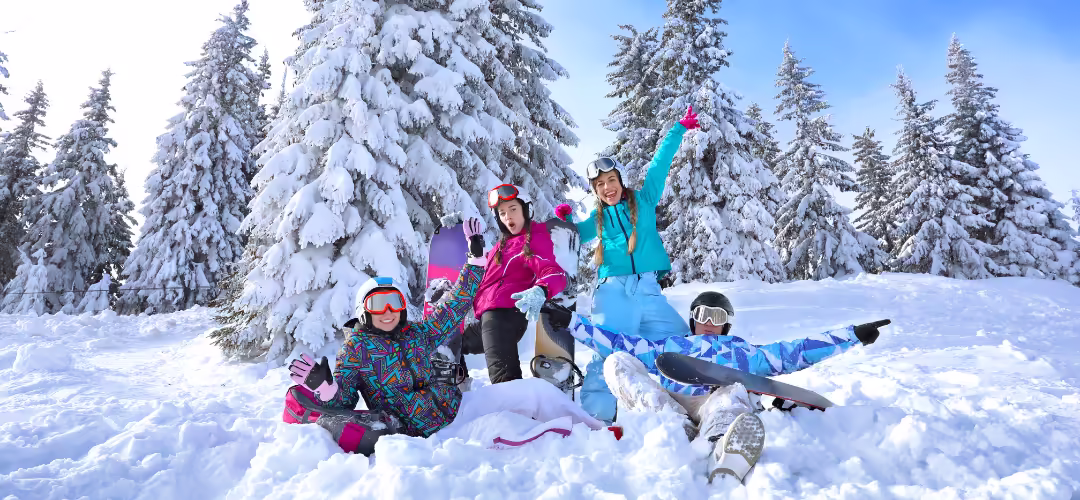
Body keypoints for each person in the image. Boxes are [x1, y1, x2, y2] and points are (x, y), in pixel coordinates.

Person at [287, 218, 599, 455]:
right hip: (430, 434)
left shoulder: (416, 333)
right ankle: (575, 443)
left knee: (535, 392)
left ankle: (598, 431)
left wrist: (475, 261)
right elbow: (343, 402)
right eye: (378, 304)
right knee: (508, 429)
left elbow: (454, 306)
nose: (388, 311)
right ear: (364, 310)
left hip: (458, 407)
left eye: (394, 303)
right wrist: (326, 388)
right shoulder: (357, 350)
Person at [541, 297, 890, 482]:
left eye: (717, 314)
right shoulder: (671, 345)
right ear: (693, 319)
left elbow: (795, 350)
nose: (709, 320)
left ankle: (721, 446)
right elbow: (620, 342)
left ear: (727, 322)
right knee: (616, 359)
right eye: (702, 313)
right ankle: (673, 429)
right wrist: (571, 322)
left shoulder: (744, 352)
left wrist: (851, 336)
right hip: (669, 400)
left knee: (734, 391)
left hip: (715, 399)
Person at [553, 106, 700, 423]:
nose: (608, 187)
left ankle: (695, 404)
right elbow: (575, 235)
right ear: (595, 191)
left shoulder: (644, 201)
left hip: (648, 291)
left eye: (611, 179)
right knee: (606, 352)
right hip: (613, 292)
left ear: (620, 180)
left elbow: (660, 165)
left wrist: (677, 129)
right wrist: (564, 223)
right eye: (600, 185)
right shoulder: (599, 219)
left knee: (682, 346)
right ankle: (597, 419)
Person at [466, 183, 569, 384]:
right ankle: (460, 387)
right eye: (502, 213)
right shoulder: (501, 246)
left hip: (505, 316)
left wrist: (541, 289)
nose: (508, 217)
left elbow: (553, 271)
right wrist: (476, 257)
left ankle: (516, 412)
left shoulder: (534, 238)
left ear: (526, 209)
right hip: (488, 319)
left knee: (504, 383)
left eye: (513, 209)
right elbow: (485, 282)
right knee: (451, 343)